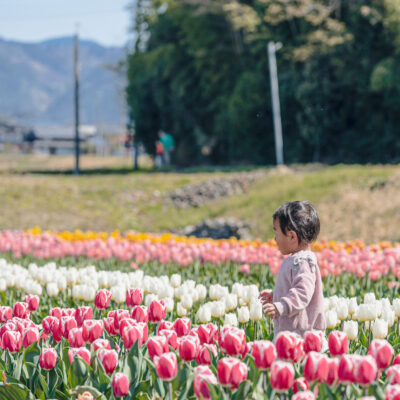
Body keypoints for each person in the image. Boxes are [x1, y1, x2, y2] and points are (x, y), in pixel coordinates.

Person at [259, 201, 326, 339]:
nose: (274, 238)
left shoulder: (303, 263)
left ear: (292, 236)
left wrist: (282, 305)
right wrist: (276, 294)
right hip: (293, 335)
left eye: (276, 231)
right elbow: (294, 286)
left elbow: (302, 292)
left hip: (301, 338)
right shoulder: (297, 260)